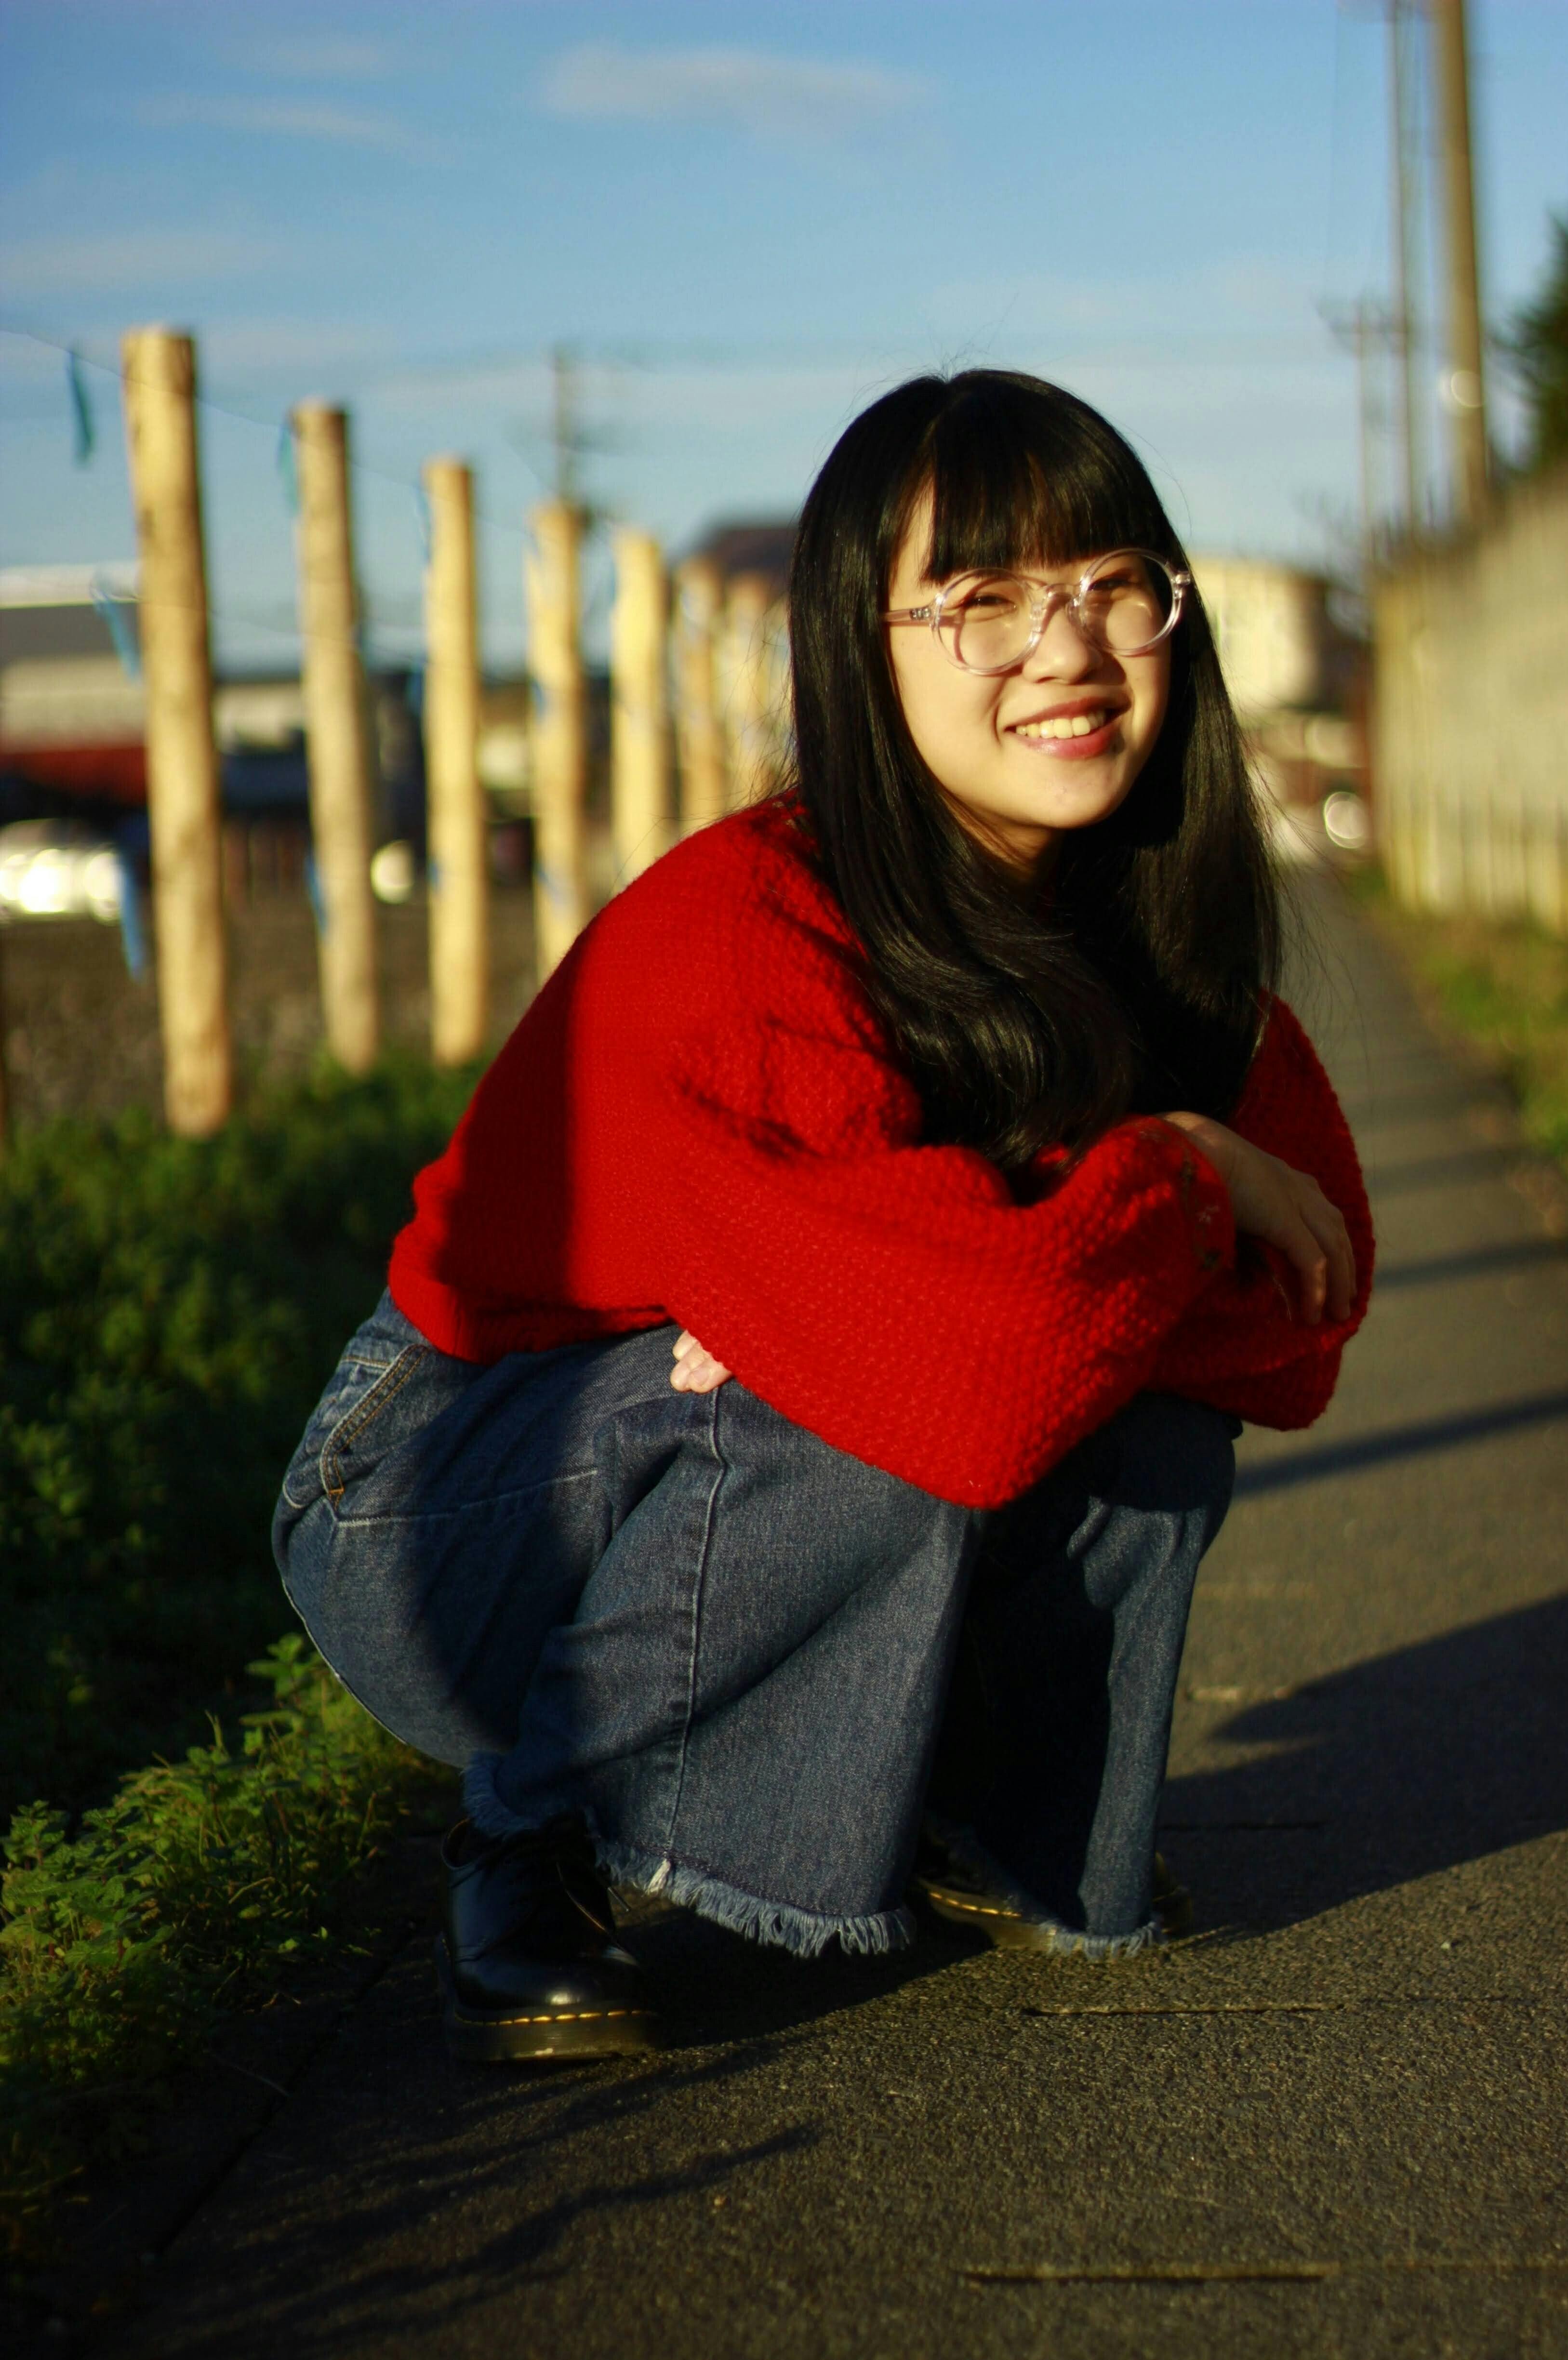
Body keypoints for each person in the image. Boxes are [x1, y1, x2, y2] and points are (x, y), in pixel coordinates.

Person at [273, 371, 1372, 2066]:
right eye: (982, 601)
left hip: (675, 1454)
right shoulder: (751, 929)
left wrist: (1025, 1262)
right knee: (883, 1399)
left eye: (1111, 584)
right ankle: (532, 1827)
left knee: (1135, 1420)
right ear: (861, 649)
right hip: (439, 1501)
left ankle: (977, 1811)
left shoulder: (1150, 943)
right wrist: (1161, 1182)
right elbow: (957, 1382)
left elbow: (1292, 1332)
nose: (1068, 648)